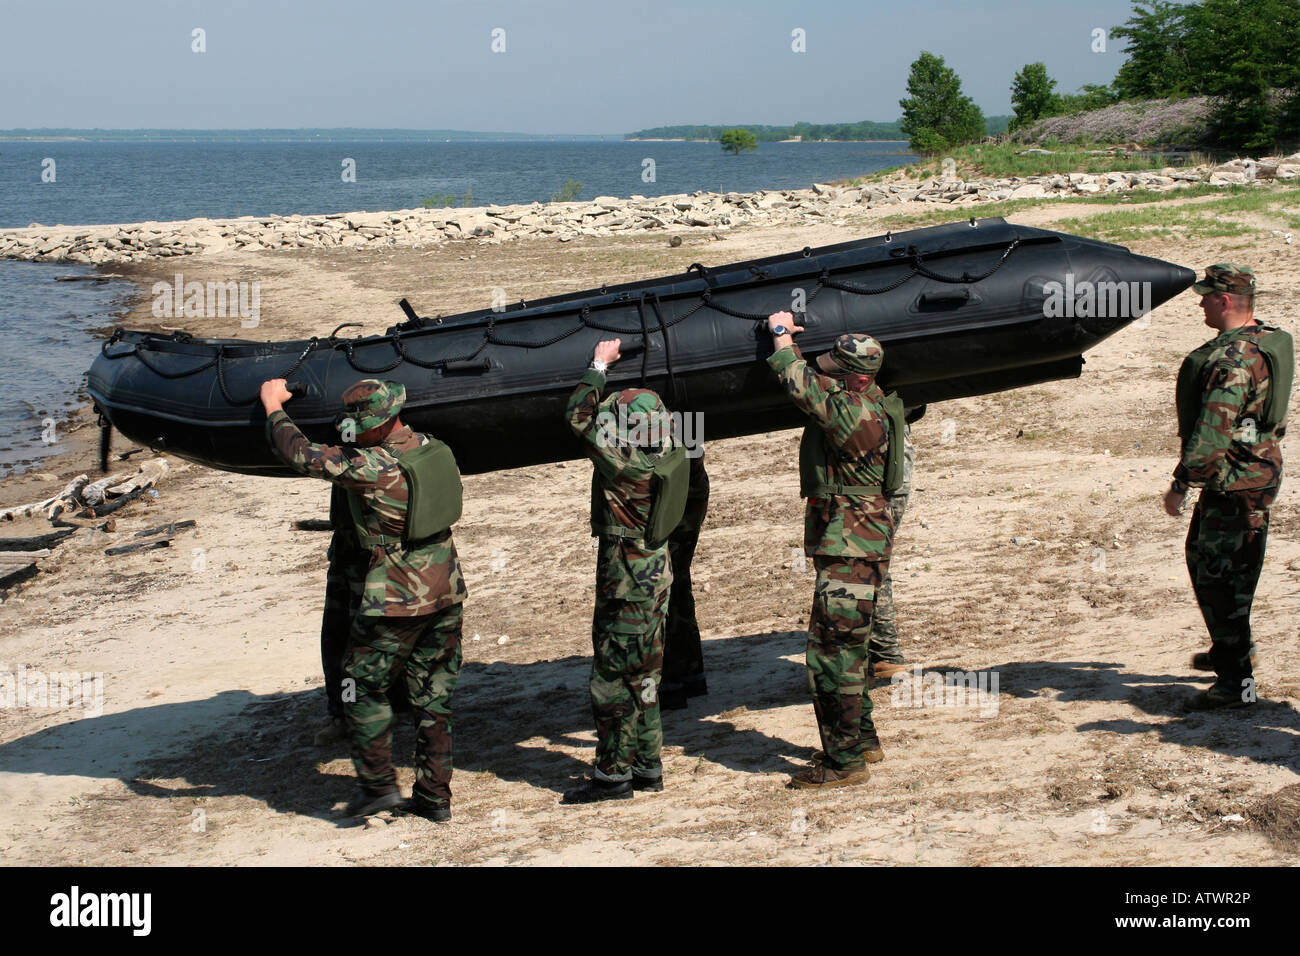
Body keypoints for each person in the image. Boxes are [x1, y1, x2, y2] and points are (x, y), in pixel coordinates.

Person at [260, 377, 467, 820]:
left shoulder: (374, 467)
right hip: (446, 589)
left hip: (397, 596)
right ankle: (434, 797)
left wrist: (273, 406)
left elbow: (301, 454)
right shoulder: (434, 448)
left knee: (356, 685)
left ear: (377, 425)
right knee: (433, 695)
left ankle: (377, 787)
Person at [766, 311, 895, 789]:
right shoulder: (873, 400)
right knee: (851, 648)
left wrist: (781, 335)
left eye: (838, 372)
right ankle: (863, 739)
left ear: (856, 378)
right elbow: (818, 382)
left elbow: (800, 384)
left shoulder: (852, 413)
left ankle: (843, 763)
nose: (828, 376)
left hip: (849, 546)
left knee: (831, 655)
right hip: (860, 542)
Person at [1163, 264, 1292, 711]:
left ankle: (1235, 682)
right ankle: (1231, 648)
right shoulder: (1264, 341)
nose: (1200, 303)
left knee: (1221, 579)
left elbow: (1213, 430)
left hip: (1236, 482)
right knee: (1215, 563)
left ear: (1225, 300)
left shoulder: (1232, 362)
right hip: (1253, 474)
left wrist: (1182, 483)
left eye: (1206, 296)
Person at [563, 337, 678, 803]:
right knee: (646, 674)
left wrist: (598, 365)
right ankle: (648, 764)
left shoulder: (624, 463)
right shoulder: (670, 449)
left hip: (625, 580)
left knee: (613, 679)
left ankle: (613, 775)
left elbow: (577, 417)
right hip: (656, 575)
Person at [314, 486, 411, 747]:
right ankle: (345, 713)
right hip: (347, 547)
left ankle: (394, 705)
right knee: (339, 638)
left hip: (379, 551)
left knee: (380, 638)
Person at [867, 408, 921, 682]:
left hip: (871, 466)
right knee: (873, 558)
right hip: (895, 457)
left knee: (867, 560)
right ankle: (882, 654)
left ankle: (883, 654)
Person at [661, 450, 710, 710]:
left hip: (664, 491)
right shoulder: (687, 424)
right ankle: (690, 674)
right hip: (690, 484)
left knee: (663, 586)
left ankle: (668, 681)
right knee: (678, 580)